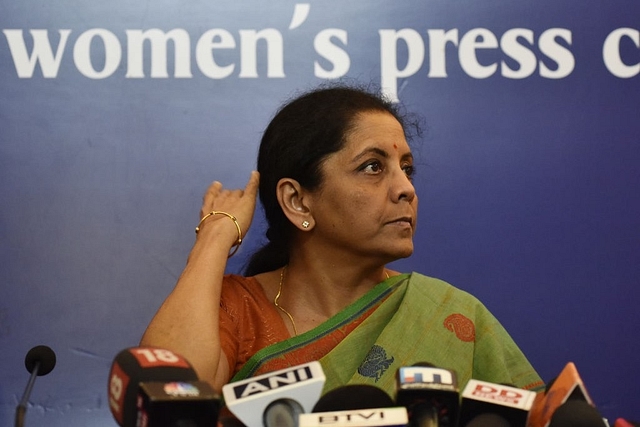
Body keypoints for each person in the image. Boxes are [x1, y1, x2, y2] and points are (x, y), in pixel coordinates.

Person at [140, 83, 544, 406]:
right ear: (298, 200)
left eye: (406, 169)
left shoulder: (451, 314)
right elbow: (169, 399)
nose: (406, 189)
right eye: (373, 167)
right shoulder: (240, 310)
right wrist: (215, 236)